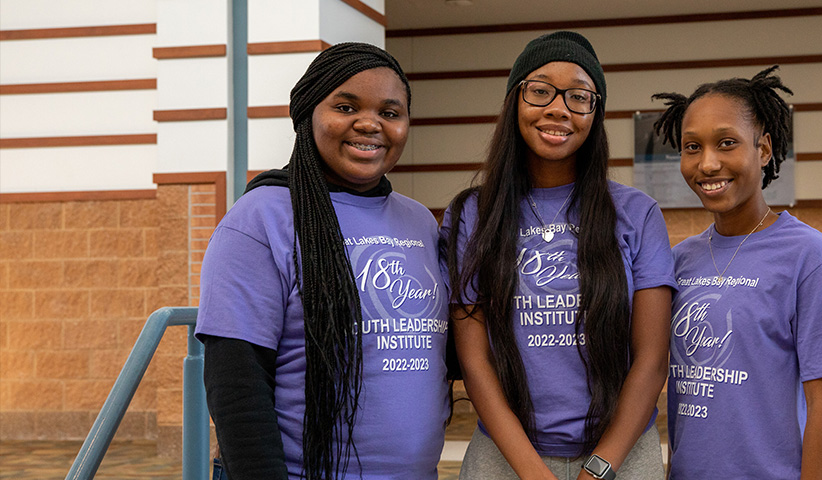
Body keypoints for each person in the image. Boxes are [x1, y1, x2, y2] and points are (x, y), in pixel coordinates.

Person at [195, 43, 450, 480]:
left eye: (390, 113)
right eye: (346, 106)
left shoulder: (419, 221)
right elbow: (236, 382)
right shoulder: (261, 219)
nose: (370, 124)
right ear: (307, 115)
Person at [441, 31, 675, 480]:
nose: (558, 108)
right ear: (515, 101)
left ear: (595, 113)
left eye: (579, 97)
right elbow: (475, 360)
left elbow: (651, 358)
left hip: (621, 453)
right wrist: (532, 471)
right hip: (505, 455)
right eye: (541, 90)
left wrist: (599, 468)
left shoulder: (635, 212)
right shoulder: (472, 214)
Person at [652, 66, 822, 479]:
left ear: (763, 150)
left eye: (726, 143)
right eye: (692, 147)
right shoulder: (680, 260)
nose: (707, 163)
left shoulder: (808, 255)